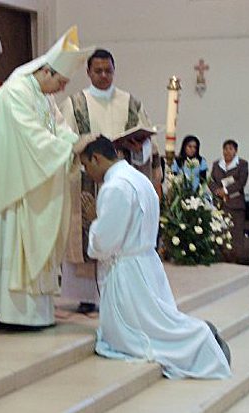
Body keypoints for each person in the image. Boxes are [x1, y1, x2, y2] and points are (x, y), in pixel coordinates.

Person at [0, 26, 93, 329]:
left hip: (36, 185)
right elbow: (32, 139)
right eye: (61, 81)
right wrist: (69, 147)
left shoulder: (43, 96)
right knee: (17, 246)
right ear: (47, 71)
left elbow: (59, 130)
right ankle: (14, 314)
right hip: (17, 190)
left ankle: (36, 313)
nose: (62, 89)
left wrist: (76, 144)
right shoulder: (15, 92)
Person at [79, 136, 231, 379]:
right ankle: (198, 336)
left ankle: (200, 337)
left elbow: (105, 243)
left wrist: (92, 218)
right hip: (145, 263)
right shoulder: (139, 179)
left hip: (128, 271)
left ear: (97, 158)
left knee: (141, 334)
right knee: (158, 321)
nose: (88, 172)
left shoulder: (115, 186)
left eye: (87, 165)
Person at [59, 48, 163, 314]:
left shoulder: (131, 103)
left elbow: (149, 145)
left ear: (114, 71)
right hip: (87, 179)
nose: (104, 76)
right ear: (88, 72)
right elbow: (63, 142)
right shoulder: (74, 104)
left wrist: (138, 145)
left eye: (108, 71)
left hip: (121, 176)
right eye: (98, 71)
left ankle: (121, 290)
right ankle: (87, 296)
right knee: (88, 233)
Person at [209, 139, 248, 263]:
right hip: (220, 204)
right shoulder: (217, 164)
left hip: (236, 204)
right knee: (220, 231)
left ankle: (236, 259)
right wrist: (217, 191)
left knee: (235, 233)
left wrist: (225, 190)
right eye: (225, 148)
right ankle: (221, 257)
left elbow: (241, 182)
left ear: (236, 151)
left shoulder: (242, 164)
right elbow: (211, 181)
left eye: (231, 149)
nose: (227, 151)